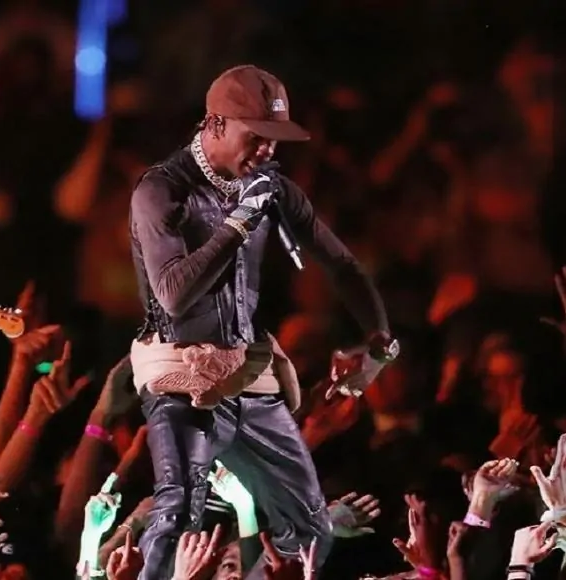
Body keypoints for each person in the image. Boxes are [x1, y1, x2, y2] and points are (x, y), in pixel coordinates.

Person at [128, 65, 400, 578]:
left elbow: (341, 265)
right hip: (182, 374)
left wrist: (379, 339)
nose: (267, 151)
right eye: (255, 137)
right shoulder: (162, 190)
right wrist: (239, 223)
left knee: (311, 527)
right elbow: (174, 295)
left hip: (248, 371)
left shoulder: (271, 187)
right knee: (178, 513)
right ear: (214, 123)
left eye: (274, 140)